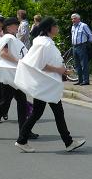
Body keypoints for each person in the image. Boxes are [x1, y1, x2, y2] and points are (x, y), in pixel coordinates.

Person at [14, 17, 86, 153]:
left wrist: (62, 70)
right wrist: (61, 70)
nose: (57, 28)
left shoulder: (45, 42)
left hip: (47, 85)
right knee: (55, 113)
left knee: (39, 113)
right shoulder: (44, 44)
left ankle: (22, 140)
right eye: (55, 26)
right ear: (49, 29)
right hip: (46, 85)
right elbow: (40, 64)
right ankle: (68, 142)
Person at [0, 17, 33, 140]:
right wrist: (19, 61)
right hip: (10, 76)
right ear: (9, 27)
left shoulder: (11, 38)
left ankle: (24, 131)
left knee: (19, 102)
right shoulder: (8, 38)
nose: (18, 27)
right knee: (6, 104)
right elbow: (3, 53)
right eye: (16, 25)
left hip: (13, 75)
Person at [70, 13, 92, 85]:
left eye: (74, 18)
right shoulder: (73, 27)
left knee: (84, 64)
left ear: (78, 19)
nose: (73, 20)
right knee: (77, 64)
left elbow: (91, 35)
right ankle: (80, 80)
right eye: (72, 19)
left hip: (82, 46)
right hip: (74, 47)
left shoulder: (83, 25)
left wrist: (88, 44)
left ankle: (86, 80)